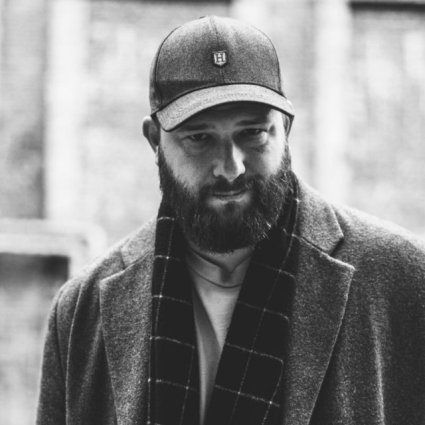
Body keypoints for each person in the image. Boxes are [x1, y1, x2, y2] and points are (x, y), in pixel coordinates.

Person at [36, 16, 425, 425]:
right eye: (199, 138)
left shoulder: (406, 280)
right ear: (155, 141)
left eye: (253, 133)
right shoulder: (81, 311)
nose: (230, 167)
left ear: (285, 129)